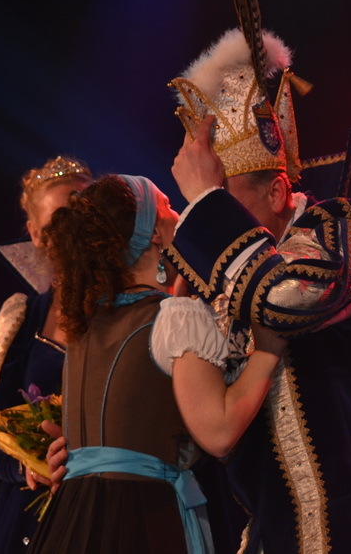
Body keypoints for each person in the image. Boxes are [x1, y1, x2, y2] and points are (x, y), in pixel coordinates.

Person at [163, 27, 351, 553]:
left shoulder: (345, 229)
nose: (216, 216)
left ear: (277, 191)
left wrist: (205, 203)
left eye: (225, 198)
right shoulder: (227, 274)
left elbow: (285, 297)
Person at [26, 173, 230, 553]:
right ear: (154, 233)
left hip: (72, 519)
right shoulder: (173, 317)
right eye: (169, 206)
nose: (179, 214)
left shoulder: (84, 326)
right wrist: (268, 349)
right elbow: (219, 433)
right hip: (143, 517)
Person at [0, 156, 93, 554]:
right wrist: (27, 465)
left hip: (109, 494)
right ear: (36, 234)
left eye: (85, 209)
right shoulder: (23, 318)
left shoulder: (135, 307)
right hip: (33, 511)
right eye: (61, 219)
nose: (77, 226)